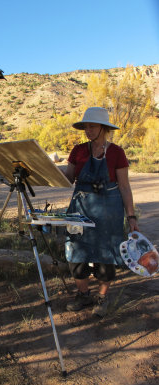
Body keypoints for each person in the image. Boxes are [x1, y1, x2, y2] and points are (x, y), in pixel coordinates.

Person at [63, 107, 139, 317]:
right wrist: (40, 169)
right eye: (85, 126)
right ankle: (84, 294)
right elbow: (68, 178)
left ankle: (102, 298)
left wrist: (131, 217)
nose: (87, 130)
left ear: (103, 128)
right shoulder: (78, 150)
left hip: (109, 210)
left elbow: (124, 186)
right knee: (75, 252)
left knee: (106, 255)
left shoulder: (116, 152)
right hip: (79, 208)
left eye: (92, 126)